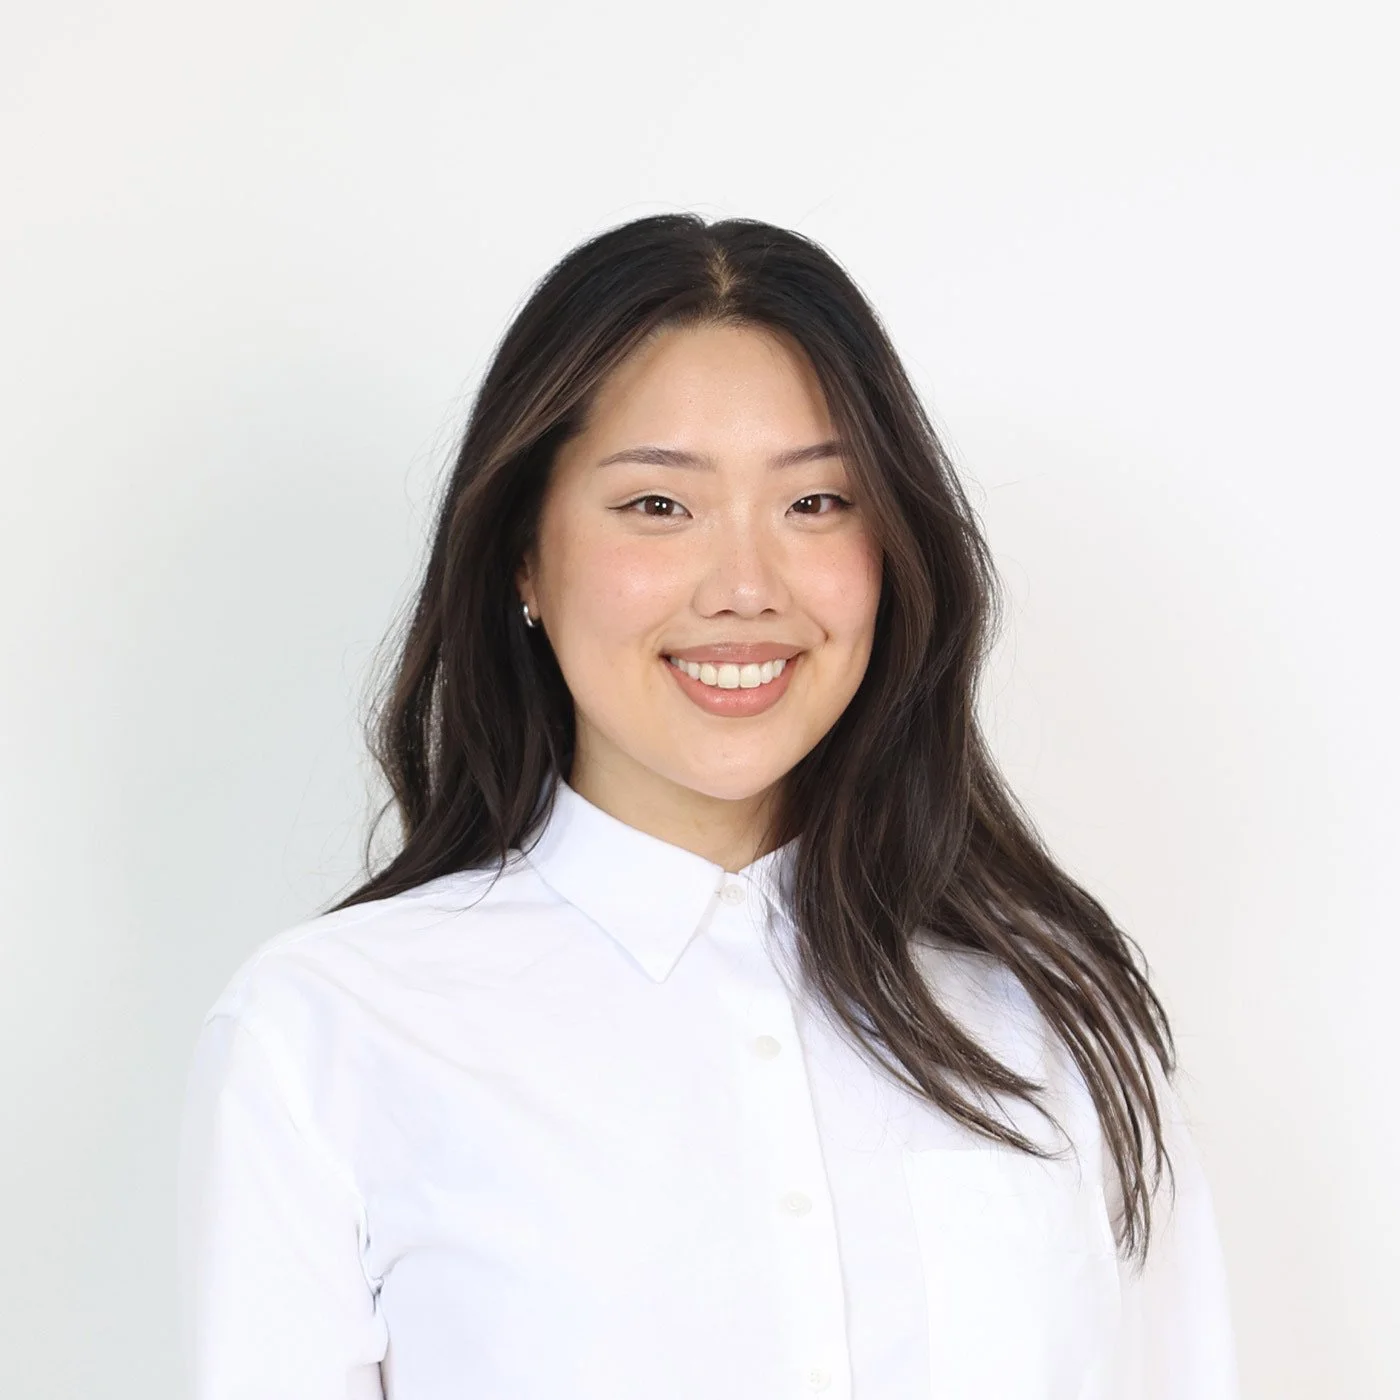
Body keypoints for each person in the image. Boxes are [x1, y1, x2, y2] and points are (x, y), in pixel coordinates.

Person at [175, 213, 1240, 1400]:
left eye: (816, 503)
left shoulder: (1050, 1012)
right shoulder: (328, 1033)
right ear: (523, 557)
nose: (745, 588)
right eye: (656, 505)